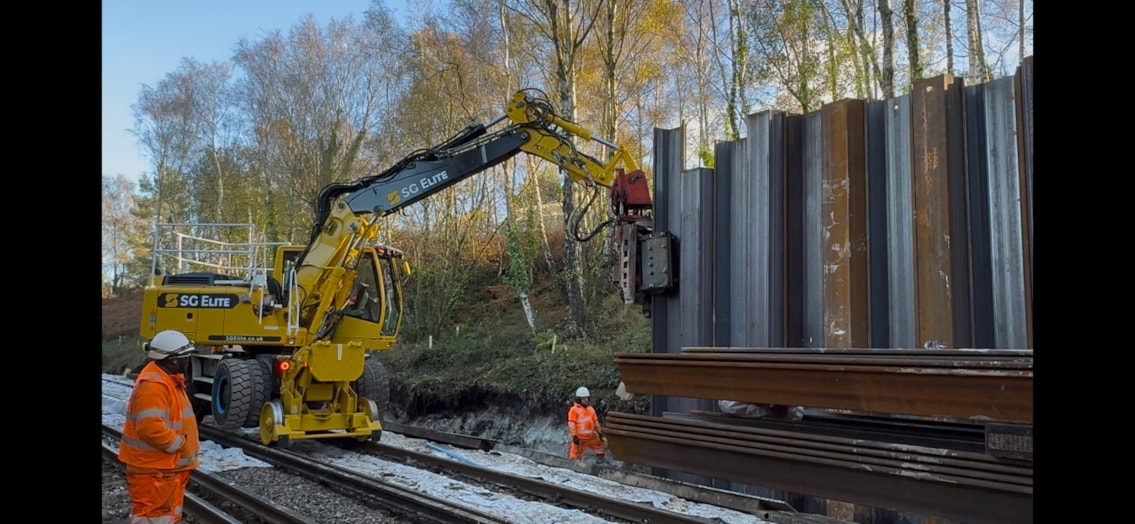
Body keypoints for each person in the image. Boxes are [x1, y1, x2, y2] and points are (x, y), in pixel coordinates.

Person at [117, 329, 201, 523]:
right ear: (173, 360)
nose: (187, 361)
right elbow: (150, 429)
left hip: (164, 469)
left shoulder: (167, 379)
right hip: (155, 471)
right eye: (185, 357)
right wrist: (180, 445)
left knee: (164, 516)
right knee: (152, 518)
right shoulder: (153, 387)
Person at [567, 386, 606, 462]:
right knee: (574, 453)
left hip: (591, 437)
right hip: (580, 438)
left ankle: (600, 461)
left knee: (600, 446)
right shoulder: (574, 410)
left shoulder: (591, 409)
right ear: (579, 399)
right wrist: (574, 435)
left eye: (587, 398)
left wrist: (600, 432)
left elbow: (596, 422)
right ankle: (572, 463)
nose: (586, 400)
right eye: (584, 398)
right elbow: (571, 423)